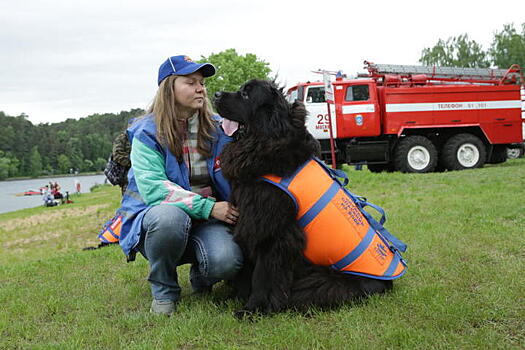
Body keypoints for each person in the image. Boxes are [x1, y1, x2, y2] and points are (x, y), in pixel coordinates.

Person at [113, 55, 243, 316]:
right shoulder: (146, 131)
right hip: (164, 217)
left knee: (228, 261)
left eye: (202, 83)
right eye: (190, 82)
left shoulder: (220, 128)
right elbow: (154, 189)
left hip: (209, 222)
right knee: (168, 217)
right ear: (169, 87)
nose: (200, 88)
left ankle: (203, 275)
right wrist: (209, 208)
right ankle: (164, 289)